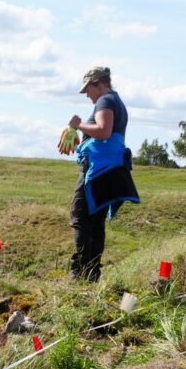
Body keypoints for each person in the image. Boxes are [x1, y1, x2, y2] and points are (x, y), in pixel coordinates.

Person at [67, 66, 138, 281]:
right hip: (112, 169)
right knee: (95, 220)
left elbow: (104, 130)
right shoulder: (117, 101)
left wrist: (78, 124)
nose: (87, 94)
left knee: (79, 215)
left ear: (98, 83)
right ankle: (92, 273)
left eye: (88, 89)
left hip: (98, 169)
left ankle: (79, 271)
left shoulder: (105, 101)